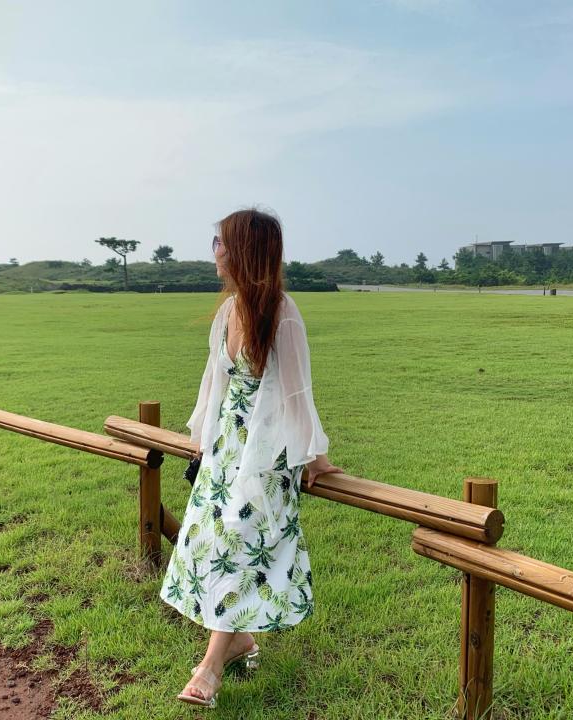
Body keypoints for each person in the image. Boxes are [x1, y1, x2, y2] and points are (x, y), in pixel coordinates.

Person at [159, 207, 343, 708]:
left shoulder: (283, 314)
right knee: (208, 544)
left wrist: (315, 457)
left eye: (220, 242)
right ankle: (238, 640)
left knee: (236, 547)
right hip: (223, 455)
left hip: (263, 458)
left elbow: (296, 394)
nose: (214, 252)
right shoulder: (228, 311)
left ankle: (210, 667)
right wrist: (201, 435)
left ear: (241, 251)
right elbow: (213, 381)